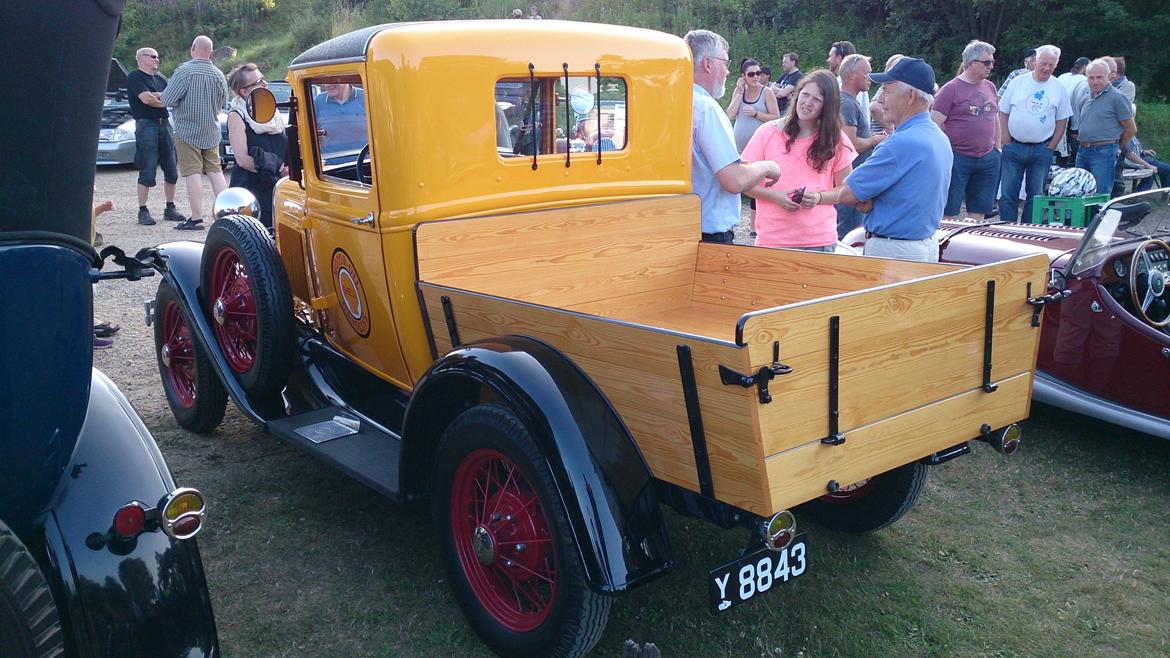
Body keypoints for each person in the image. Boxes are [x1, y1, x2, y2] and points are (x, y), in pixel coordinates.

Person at [810, 57, 952, 262]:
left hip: (894, 250)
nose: (881, 99)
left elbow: (848, 193)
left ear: (910, 95)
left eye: (887, 90)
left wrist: (863, 199)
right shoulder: (939, 137)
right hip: (925, 245)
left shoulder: (900, 143)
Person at [683, 29, 781, 244]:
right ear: (708, 64)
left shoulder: (674, 100)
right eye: (725, 63)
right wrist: (768, 166)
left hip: (681, 224)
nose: (728, 72)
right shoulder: (706, 109)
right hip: (709, 231)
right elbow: (734, 180)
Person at [741, 70, 854, 252]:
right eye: (805, 94)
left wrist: (819, 197)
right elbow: (742, 181)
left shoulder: (836, 139)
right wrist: (775, 196)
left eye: (817, 100)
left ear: (828, 106)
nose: (808, 103)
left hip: (819, 241)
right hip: (772, 240)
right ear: (797, 94)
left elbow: (846, 189)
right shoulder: (767, 132)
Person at [160, 35, 230, 231]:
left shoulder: (184, 71)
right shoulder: (218, 74)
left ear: (193, 48)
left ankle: (197, 218)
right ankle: (228, 215)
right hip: (211, 129)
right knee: (215, 171)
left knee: (192, 173)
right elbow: (223, 102)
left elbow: (167, 99)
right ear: (211, 52)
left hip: (187, 129)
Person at [997, 44, 1071, 223]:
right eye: (1043, 63)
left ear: (1056, 65)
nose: (1046, 68)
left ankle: (1027, 230)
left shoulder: (1059, 87)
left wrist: (1052, 146)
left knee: (1035, 195)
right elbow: (1003, 111)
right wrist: (1005, 139)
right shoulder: (1018, 82)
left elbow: (1062, 120)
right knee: (1008, 193)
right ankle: (1007, 229)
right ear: (1035, 61)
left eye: (1051, 66)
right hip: (1014, 145)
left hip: (1041, 148)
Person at [931, 40, 1000, 220]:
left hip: (986, 157)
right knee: (949, 211)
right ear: (971, 63)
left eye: (992, 62)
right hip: (957, 157)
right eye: (987, 62)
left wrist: (997, 148)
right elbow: (934, 124)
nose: (990, 66)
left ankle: (974, 243)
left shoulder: (990, 86)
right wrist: (943, 154)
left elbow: (995, 117)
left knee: (979, 211)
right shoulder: (950, 90)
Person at [126, 47, 187, 226]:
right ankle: (143, 210)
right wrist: (163, 97)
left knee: (171, 169)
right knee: (147, 168)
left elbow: (175, 97)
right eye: (152, 57)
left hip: (164, 124)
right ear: (141, 58)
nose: (156, 60)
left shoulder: (160, 78)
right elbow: (146, 99)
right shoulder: (135, 77)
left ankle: (170, 208)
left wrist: (160, 96)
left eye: (158, 57)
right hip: (146, 125)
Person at [225, 63, 288, 228]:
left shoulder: (273, 112)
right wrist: (276, 170)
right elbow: (243, 159)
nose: (265, 84)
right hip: (252, 189)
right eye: (259, 82)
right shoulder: (236, 115)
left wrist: (288, 168)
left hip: (278, 185)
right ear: (244, 91)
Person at [836, 53, 886, 238]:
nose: (870, 78)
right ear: (850, 75)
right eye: (867, 73)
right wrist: (875, 140)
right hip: (851, 179)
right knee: (847, 234)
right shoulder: (847, 104)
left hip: (851, 179)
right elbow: (851, 145)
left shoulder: (847, 101)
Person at [1074, 59, 1135, 195]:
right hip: (1082, 151)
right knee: (1079, 192)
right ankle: (1085, 218)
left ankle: (1099, 217)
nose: (1095, 81)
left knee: (1100, 194)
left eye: (1099, 77)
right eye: (1091, 78)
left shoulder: (1117, 98)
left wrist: (1117, 147)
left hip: (1104, 151)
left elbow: (1131, 129)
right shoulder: (1085, 98)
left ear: (1109, 76)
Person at [727, 58, 780, 153]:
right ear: (743, 76)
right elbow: (730, 115)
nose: (755, 77)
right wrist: (740, 92)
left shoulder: (767, 92)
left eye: (758, 73)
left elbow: (776, 118)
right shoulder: (738, 91)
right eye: (751, 74)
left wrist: (756, 114)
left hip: (761, 147)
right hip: (739, 149)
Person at [313, 82, 367, 158]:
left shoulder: (367, 97)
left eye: (332, 79)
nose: (327, 85)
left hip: (365, 166)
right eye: (323, 80)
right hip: (331, 168)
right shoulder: (316, 103)